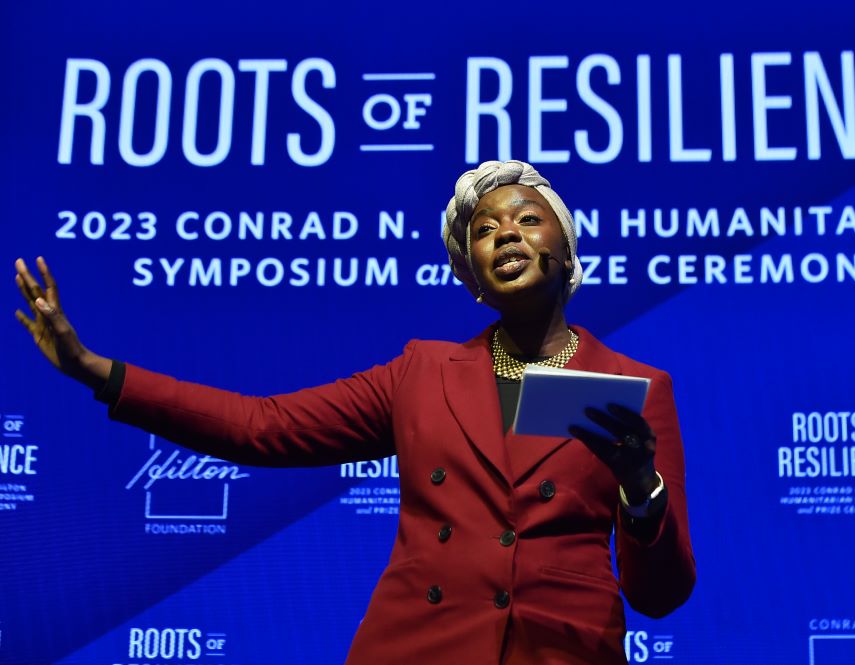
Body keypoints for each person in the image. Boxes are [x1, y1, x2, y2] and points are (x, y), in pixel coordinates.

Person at [14, 160, 695, 664]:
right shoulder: (422, 373)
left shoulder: (633, 386)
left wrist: (642, 491)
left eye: (526, 218)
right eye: (484, 231)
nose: (505, 234)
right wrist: (97, 371)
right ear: (472, 278)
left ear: (566, 247)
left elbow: (660, 595)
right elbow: (263, 426)